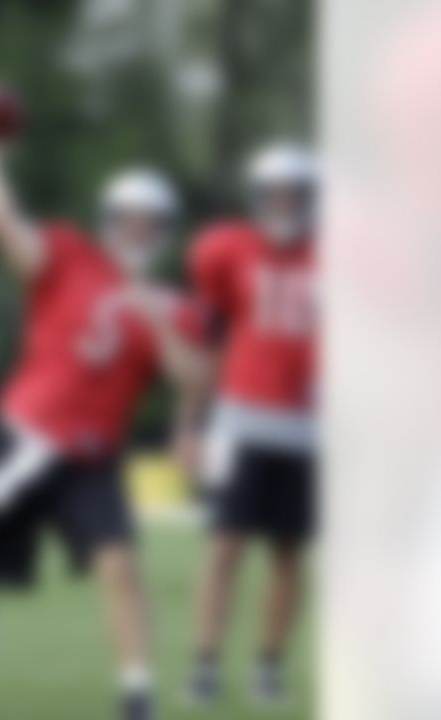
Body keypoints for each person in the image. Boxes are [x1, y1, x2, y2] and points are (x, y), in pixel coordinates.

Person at [0, 88, 207, 720]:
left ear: (165, 231)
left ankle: (136, 695)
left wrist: (152, 315)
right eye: (128, 218)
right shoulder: (68, 254)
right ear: (108, 219)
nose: (137, 230)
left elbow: (191, 377)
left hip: (92, 458)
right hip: (24, 442)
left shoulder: (176, 306)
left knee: (120, 565)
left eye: (150, 222)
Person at [181, 142, 318, 707]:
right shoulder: (226, 248)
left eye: (293, 194)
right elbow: (208, 341)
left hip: (308, 426)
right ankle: (205, 666)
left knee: (289, 551)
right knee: (224, 544)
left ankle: (268, 666)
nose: (283, 204)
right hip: (239, 418)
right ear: (257, 196)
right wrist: (191, 423)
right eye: (273, 194)